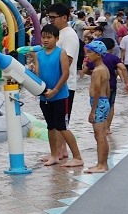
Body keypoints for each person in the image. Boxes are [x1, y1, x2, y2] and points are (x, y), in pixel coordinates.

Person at [31, 24, 84, 168]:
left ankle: (78, 157)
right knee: (50, 127)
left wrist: (55, 90)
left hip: (60, 96)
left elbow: (66, 73)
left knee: (62, 127)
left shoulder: (61, 52)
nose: (45, 40)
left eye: (49, 37)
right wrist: (33, 67)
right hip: (45, 97)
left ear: (57, 38)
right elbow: (38, 75)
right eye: (43, 37)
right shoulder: (39, 54)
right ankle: (54, 155)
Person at [84, 40, 112, 174]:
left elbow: (96, 91)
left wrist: (93, 111)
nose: (87, 55)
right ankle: (102, 164)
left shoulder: (97, 71)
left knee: (99, 135)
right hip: (103, 101)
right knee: (101, 135)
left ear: (98, 55)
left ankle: (101, 165)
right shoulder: (104, 69)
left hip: (98, 103)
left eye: (90, 52)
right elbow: (107, 90)